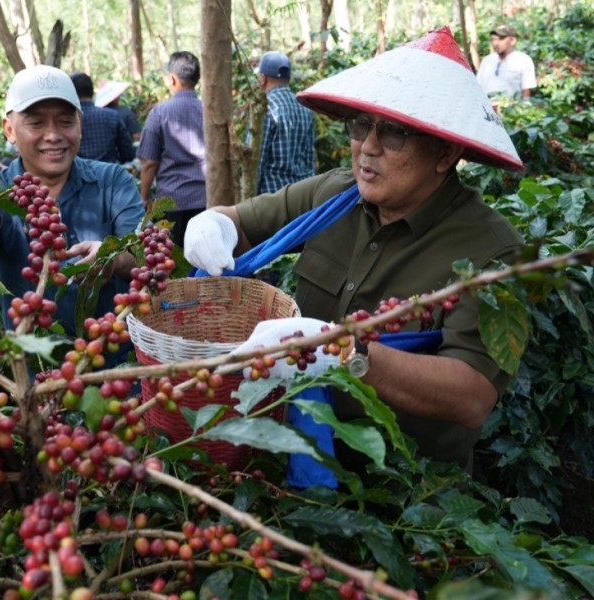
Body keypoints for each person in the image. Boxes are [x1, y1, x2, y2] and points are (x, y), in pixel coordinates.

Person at [183, 27, 526, 474]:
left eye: (394, 133)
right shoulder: (334, 194)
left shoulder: (493, 253)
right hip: (289, 452)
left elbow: (472, 394)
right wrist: (214, 226)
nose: (368, 147)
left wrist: (341, 351)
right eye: (361, 125)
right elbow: (241, 223)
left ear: (445, 153)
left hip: (403, 486)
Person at [0, 65, 144, 341]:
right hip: (31, 360)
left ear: (80, 125)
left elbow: (142, 255)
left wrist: (113, 257)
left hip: (111, 357)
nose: (53, 135)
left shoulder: (113, 181)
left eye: (66, 122)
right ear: (9, 129)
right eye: (36, 123)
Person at [137, 51, 207, 247]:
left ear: (172, 79)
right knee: (205, 257)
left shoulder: (159, 113)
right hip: (207, 200)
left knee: (169, 257)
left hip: (171, 202)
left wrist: (144, 197)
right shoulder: (210, 111)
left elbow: (150, 163)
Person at [254, 51, 316, 194]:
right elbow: (310, 159)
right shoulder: (305, 107)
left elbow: (256, 161)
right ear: (289, 78)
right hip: (301, 195)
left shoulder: (265, 108)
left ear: (263, 78)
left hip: (272, 196)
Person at [69, 72, 135, 164]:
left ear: (71, 93)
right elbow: (127, 153)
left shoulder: (67, 120)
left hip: (76, 171)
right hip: (110, 171)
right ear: (92, 92)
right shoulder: (112, 116)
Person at [476, 24, 537, 100]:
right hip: (486, 105)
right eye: (494, 39)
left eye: (501, 39)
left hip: (510, 106)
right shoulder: (487, 61)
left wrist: (524, 105)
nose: (496, 43)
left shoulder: (523, 61)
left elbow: (526, 90)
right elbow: (478, 87)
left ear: (512, 40)